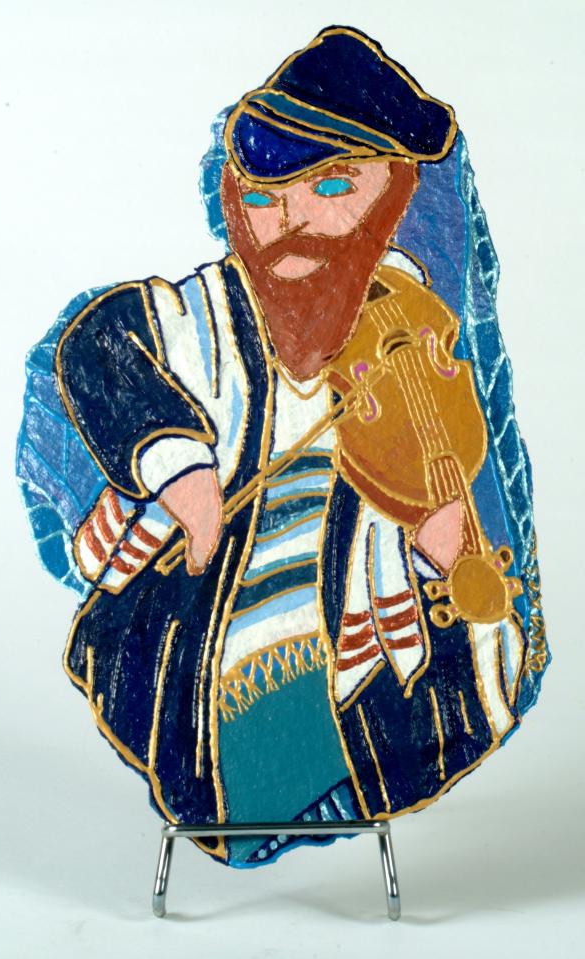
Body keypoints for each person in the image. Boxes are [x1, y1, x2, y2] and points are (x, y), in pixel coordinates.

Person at [50, 26, 527, 866]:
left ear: (390, 195)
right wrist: (181, 470)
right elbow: (99, 344)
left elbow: (434, 483)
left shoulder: (407, 318)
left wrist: (439, 546)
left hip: (356, 692)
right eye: (266, 197)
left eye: (333, 185)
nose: (294, 219)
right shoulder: (208, 316)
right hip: (199, 671)